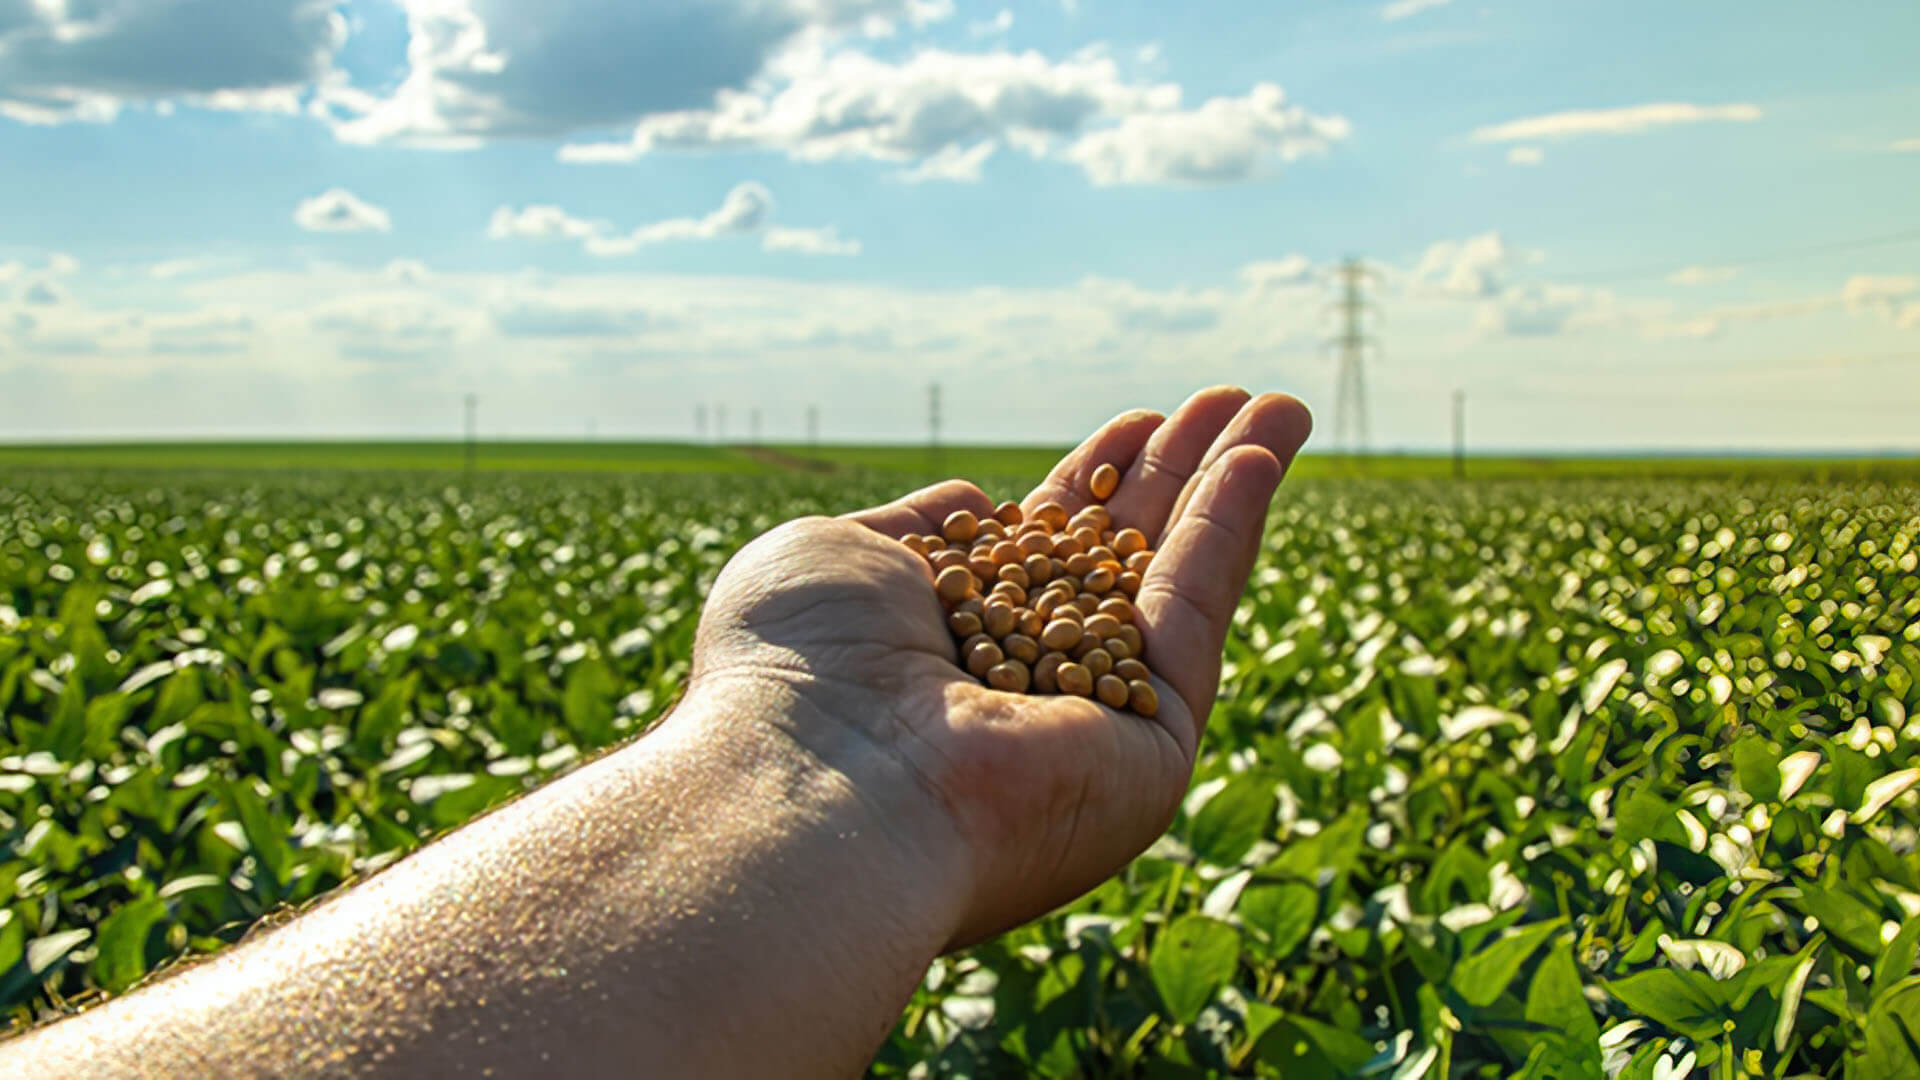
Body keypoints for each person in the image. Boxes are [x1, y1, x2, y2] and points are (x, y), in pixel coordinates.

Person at [6, 387, 1311, 1078]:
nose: (1017, 586)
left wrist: (808, 754)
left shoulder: (1017, 597)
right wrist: (815, 747)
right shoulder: (1003, 609)